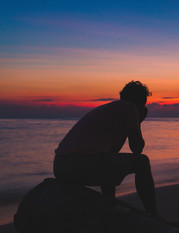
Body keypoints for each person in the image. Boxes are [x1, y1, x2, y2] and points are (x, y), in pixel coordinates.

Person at [53, 81, 157, 215]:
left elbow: (108, 155)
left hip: (61, 166)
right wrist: (138, 121)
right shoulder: (130, 108)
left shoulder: (111, 109)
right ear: (141, 100)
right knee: (142, 162)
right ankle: (152, 214)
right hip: (79, 163)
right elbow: (137, 149)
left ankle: (110, 203)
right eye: (144, 103)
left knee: (106, 159)